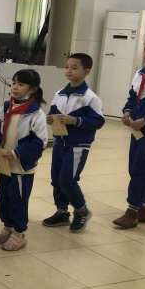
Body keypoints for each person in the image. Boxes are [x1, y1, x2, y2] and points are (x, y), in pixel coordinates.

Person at [42, 53, 104, 232]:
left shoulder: (90, 98)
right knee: (56, 179)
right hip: (59, 143)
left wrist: (75, 121)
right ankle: (61, 212)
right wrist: (50, 118)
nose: (69, 71)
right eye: (67, 67)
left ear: (86, 72)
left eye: (74, 68)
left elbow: (98, 121)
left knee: (67, 180)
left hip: (78, 145)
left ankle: (81, 210)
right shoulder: (59, 94)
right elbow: (53, 111)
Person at [0, 69, 48, 251]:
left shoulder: (36, 114)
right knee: (3, 198)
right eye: (13, 83)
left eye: (21, 84)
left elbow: (39, 143)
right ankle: (8, 227)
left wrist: (16, 153)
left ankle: (19, 233)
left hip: (22, 167)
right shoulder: (7, 107)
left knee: (18, 200)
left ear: (32, 89)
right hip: (5, 164)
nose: (15, 87)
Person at [114, 37, 145, 228]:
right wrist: (128, 112)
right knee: (135, 167)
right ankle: (144, 208)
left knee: (141, 170)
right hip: (137, 131)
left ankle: (132, 212)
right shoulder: (140, 74)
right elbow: (133, 97)